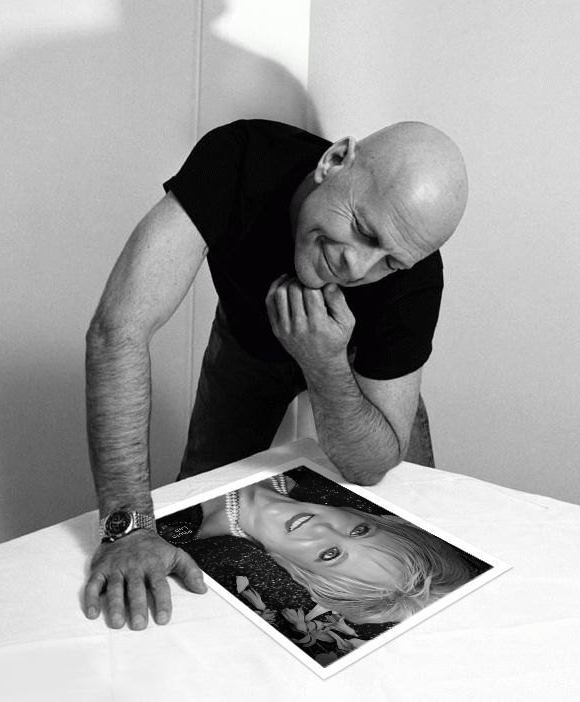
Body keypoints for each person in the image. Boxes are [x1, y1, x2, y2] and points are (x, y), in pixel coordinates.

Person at [84, 119, 468, 630]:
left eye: (390, 263)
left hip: (352, 371)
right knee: (191, 511)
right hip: (246, 343)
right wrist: (128, 530)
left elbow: (370, 466)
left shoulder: (415, 276)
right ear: (334, 162)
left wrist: (325, 363)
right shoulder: (239, 158)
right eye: (364, 231)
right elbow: (119, 331)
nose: (358, 269)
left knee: (412, 515)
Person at [159, 472, 474, 626]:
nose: (322, 530)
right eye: (359, 531)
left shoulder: (178, 532)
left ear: (302, 574)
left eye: (330, 555)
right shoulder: (312, 474)